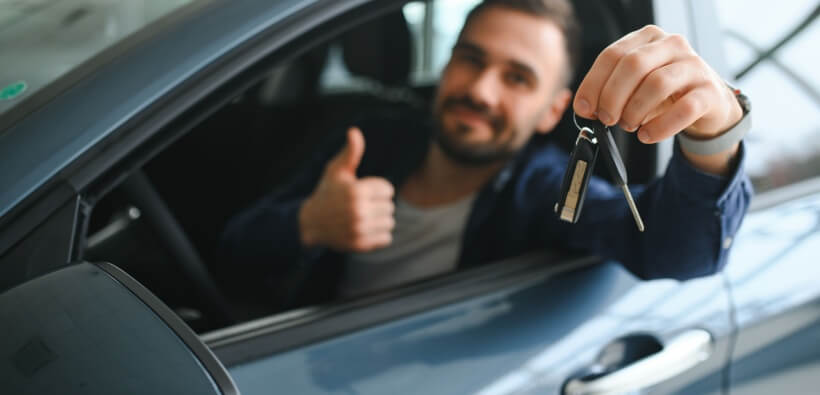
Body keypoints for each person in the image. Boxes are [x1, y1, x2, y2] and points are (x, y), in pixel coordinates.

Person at [220, 0, 753, 303]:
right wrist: (309, 224)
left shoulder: (543, 189)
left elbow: (679, 252)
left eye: (517, 78)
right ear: (447, 63)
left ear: (553, 110)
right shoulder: (368, 142)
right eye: (471, 60)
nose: (480, 91)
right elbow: (232, 253)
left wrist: (714, 134)